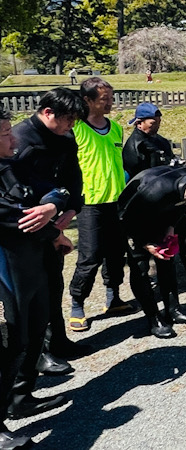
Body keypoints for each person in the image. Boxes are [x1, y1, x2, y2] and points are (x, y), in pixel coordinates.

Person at [1, 107, 75, 440]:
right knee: (12, 343)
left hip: (32, 267)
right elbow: (19, 218)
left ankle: (20, 398)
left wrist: (52, 205)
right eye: (6, 134)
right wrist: (55, 231)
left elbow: (55, 189)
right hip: (8, 274)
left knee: (34, 331)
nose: (14, 139)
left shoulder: (10, 166)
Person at [10, 89, 87, 368]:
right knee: (35, 293)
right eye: (68, 119)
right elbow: (17, 198)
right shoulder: (20, 141)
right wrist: (51, 230)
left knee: (54, 285)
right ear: (47, 112)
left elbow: (72, 175)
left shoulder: (65, 138)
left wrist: (71, 207)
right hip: (25, 229)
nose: (71, 125)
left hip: (53, 219)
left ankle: (58, 341)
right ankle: (39, 353)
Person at [118, 166, 186, 338]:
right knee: (140, 267)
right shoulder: (153, 192)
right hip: (131, 215)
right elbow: (127, 222)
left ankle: (173, 309)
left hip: (162, 209)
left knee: (167, 259)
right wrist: (146, 244)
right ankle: (154, 318)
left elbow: (180, 207)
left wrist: (170, 227)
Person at [122, 103, 186, 285]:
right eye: (152, 122)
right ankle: (147, 278)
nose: (157, 125)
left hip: (172, 196)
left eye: (158, 121)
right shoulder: (134, 147)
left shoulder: (161, 141)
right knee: (150, 242)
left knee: (184, 233)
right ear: (139, 123)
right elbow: (134, 179)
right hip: (149, 202)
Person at [67, 78, 131, 333]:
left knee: (116, 253)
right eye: (104, 99)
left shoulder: (115, 128)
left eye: (111, 98)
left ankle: (113, 298)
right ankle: (77, 304)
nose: (110, 103)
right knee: (90, 256)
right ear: (87, 100)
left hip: (116, 201)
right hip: (89, 203)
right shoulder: (76, 129)